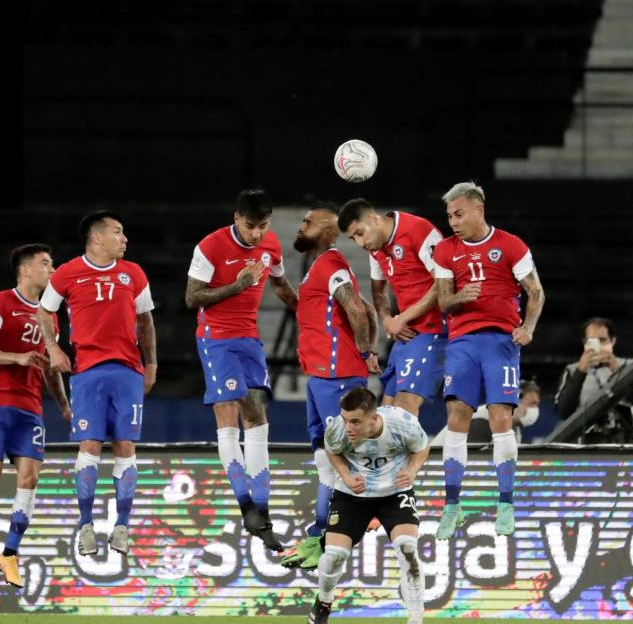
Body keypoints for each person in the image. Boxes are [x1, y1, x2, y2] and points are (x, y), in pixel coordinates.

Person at [183, 188, 299, 551]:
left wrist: (304, 313)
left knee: (259, 415)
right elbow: (192, 298)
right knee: (229, 413)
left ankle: (260, 511)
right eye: (250, 226)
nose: (256, 234)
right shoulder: (210, 247)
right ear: (237, 218)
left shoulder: (272, 246)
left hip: (249, 337)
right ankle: (245, 503)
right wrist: (237, 286)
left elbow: (280, 285)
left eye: (263, 226)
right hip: (216, 338)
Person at [37, 210, 157, 557]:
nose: (125, 239)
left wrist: (151, 363)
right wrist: (53, 347)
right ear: (97, 238)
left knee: (125, 446)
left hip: (128, 371)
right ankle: (85, 525)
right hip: (87, 371)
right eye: (118, 233)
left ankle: (122, 526)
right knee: (89, 445)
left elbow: (146, 321)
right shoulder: (68, 274)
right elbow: (45, 311)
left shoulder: (133, 273)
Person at [431, 182, 546, 539]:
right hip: (463, 341)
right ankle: (452, 506)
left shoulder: (510, 245)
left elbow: (535, 291)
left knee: (501, 418)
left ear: (479, 209)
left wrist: (527, 327)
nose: (453, 221)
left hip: (501, 341)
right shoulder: (446, 250)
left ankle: (506, 504)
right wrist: (460, 295)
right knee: (456, 417)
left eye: (459, 213)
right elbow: (443, 302)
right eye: (449, 215)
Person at [281, 203, 381, 570]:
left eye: (308, 221)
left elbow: (355, 308)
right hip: (322, 375)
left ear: (327, 231)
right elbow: (366, 309)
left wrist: (367, 349)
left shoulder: (331, 264)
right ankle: (320, 534)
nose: (300, 225)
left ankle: (358, 518)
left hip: (336, 375)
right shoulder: (321, 267)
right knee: (326, 457)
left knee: (344, 454)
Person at [0, 243, 72, 590]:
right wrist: (18, 358)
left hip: (30, 408)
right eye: (46, 263)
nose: (53, 270)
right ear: (26, 269)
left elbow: (50, 366)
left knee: (30, 478)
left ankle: (9, 553)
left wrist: (65, 405)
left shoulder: (51, 316)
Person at [307, 387, 428, 624]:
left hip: (394, 493)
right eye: (345, 420)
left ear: (374, 418)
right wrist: (345, 475)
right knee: (334, 557)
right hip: (353, 495)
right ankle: (323, 603)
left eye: (355, 422)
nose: (348, 427)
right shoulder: (338, 429)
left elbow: (422, 447)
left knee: (408, 552)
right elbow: (332, 452)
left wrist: (412, 471)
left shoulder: (402, 423)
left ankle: (416, 619)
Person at [338, 199, 447, 415]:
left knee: (405, 406)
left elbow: (443, 285)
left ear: (373, 219)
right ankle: (395, 450)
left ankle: (415, 450)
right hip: (406, 333)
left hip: (435, 329)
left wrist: (402, 318)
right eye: (353, 238)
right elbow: (378, 292)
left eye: (360, 233)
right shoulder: (375, 249)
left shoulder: (418, 230)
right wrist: (387, 319)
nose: (360, 243)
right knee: (386, 409)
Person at [555, 317, 633, 444]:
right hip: (587, 443)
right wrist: (580, 371)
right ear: (585, 343)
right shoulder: (572, 370)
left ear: (613, 341)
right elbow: (563, 412)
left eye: (603, 340)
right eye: (592, 341)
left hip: (625, 440)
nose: (598, 346)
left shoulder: (629, 366)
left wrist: (618, 371)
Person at [432, 379, 541, 446]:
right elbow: (474, 462)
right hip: (432, 474)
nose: (534, 410)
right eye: (532, 404)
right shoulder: (483, 419)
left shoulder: (515, 429)